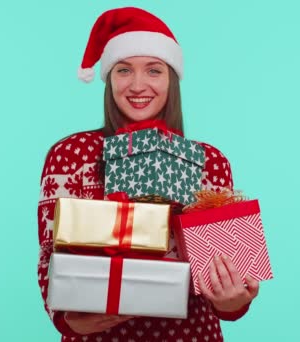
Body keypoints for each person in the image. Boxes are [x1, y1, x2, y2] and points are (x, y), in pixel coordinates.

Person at [37, 7, 259, 341]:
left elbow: (225, 287)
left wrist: (234, 301)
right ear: (109, 78)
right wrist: (68, 322)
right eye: (124, 70)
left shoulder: (208, 161)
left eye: (153, 71)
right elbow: (49, 257)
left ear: (171, 79)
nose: (138, 85)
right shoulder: (73, 154)